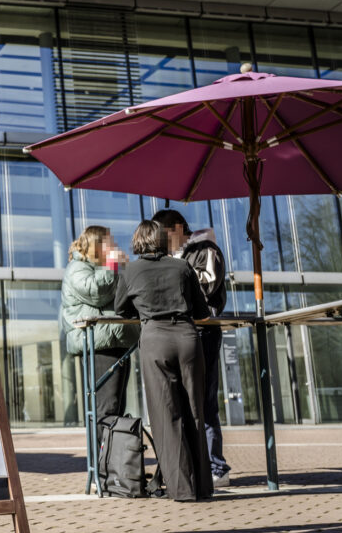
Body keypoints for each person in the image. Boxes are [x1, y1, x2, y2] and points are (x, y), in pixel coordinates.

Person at [115, 220, 212, 502]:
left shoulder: (130, 270)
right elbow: (202, 311)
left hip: (155, 339)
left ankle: (182, 489)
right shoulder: (182, 267)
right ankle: (203, 487)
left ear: (137, 241)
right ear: (161, 239)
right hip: (187, 338)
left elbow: (121, 309)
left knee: (166, 415)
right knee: (195, 410)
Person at [152, 210, 232, 488]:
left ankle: (216, 468)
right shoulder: (170, 257)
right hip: (178, 332)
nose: (161, 241)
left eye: (163, 235)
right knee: (182, 402)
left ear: (176, 228)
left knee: (204, 401)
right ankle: (193, 467)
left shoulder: (205, 249)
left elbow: (206, 288)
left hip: (202, 331)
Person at [59, 226, 138, 431]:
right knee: (107, 408)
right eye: (109, 242)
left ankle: (112, 449)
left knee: (116, 406)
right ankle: (104, 451)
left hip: (115, 340)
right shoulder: (78, 267)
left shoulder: (103, 267)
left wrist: (124, 268)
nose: (114, 245)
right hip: (100, 345)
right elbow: (96, 292)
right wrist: (112, 265)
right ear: (97, 245)